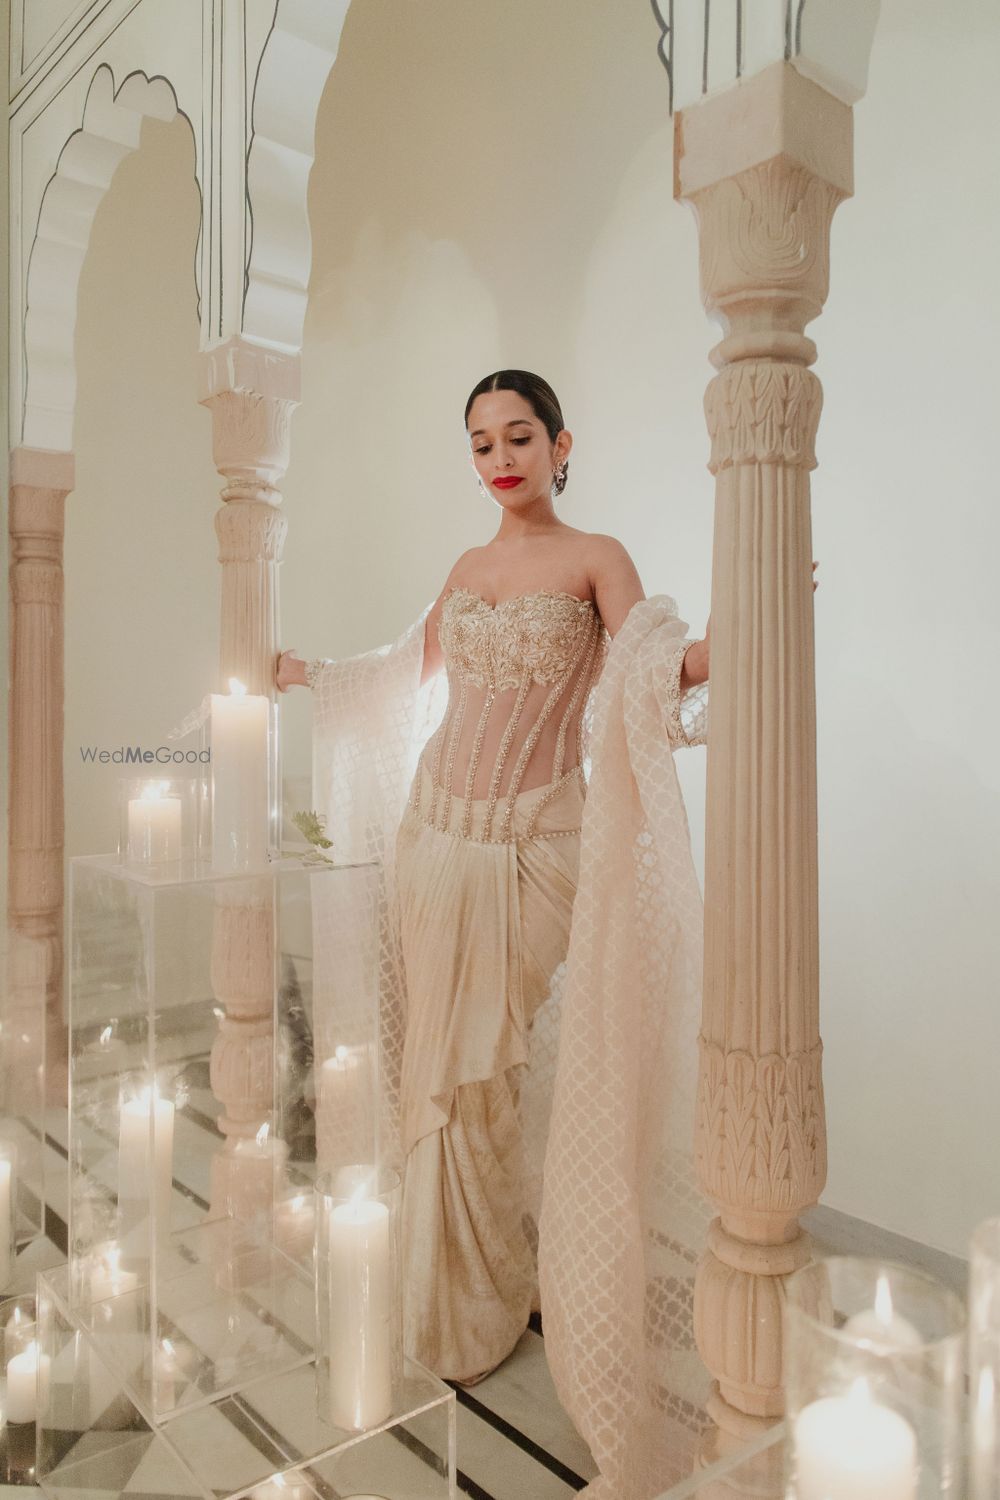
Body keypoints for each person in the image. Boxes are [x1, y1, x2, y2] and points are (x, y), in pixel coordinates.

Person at [278, 370, 711, 1498]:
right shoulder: (468, 570)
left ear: (561, 442)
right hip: (436, 837)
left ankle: (484, 1299)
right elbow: (400, 672)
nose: (498, 457)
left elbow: (649, 678)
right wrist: (314, 676)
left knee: (486, 1065)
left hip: (532, 847)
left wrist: (747, 624)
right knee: (439, 1063)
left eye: (518, 435)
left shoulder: (595, 558)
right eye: (479, 442)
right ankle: (456, 1288)